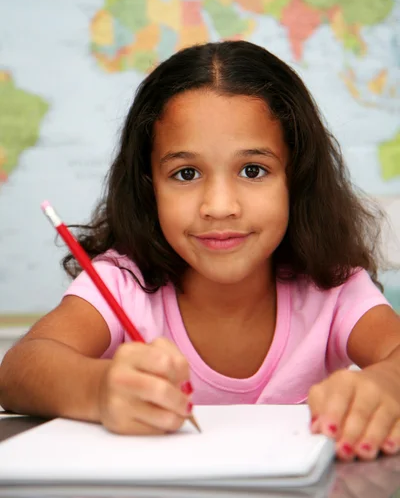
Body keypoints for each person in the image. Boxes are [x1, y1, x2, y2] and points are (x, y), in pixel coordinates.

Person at [1, 41, 400, 462]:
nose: (219, 206)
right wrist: (98, 389)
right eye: (186, 173)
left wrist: (388, 384)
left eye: (253, 170)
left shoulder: (333, 288)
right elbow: (17, 370)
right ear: (148, 185)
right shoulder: (121, 282)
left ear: (296, 179)